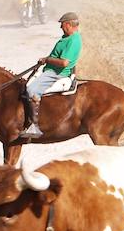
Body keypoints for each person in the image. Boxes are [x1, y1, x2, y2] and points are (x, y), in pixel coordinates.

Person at [20, 12, 82, 140]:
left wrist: (47, 59)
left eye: (62, 25)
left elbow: (64, 62)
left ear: (68, 24)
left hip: (56, 73)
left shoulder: (73, 40)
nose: (61, 28)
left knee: (32, 90)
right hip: (52, 70)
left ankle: (34, 126)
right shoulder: (70, 38)